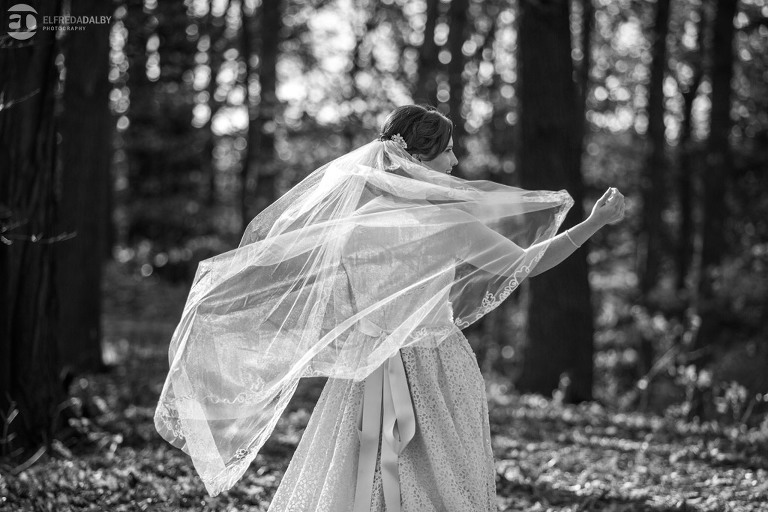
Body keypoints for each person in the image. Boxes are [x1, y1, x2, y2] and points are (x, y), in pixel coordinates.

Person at [154, 104, 625, 511]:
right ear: (418, 159)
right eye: (447, 151)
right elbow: (527, 264)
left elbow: (325, 298)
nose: (455, 160)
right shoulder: (449, 223)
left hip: (366, 367)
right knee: (443, 475)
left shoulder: (351, 225)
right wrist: (592, 224)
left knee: (359, 473)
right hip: (436, 367)